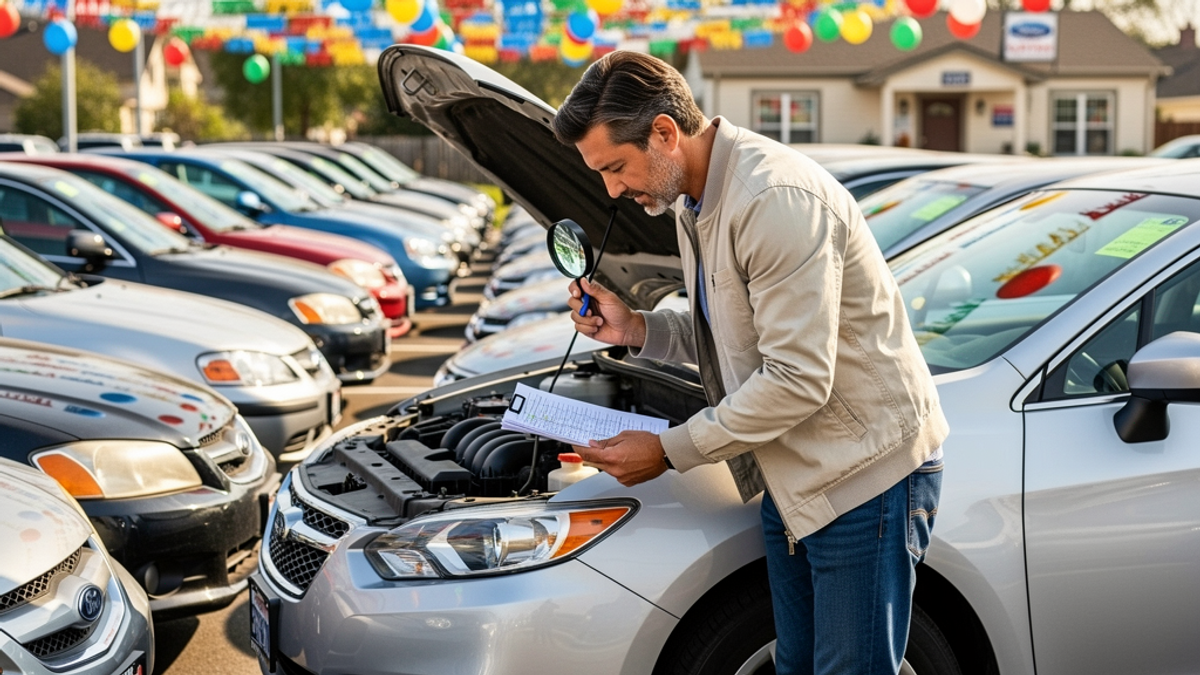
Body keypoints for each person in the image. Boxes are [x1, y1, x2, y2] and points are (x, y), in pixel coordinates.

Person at [550, 51, 949, 675]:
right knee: (795, 666)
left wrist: (669, 450)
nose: (611, 190)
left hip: (864, 479)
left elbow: (796, 380)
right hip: (792, 479)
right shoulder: (694, 201)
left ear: (663, 132)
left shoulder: (773, 199)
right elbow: (731, 336)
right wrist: (636, 329)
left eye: (616, 167)